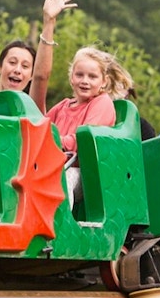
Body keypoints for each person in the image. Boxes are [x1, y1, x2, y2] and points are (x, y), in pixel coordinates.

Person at [39, 47, 129, 207]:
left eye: (92, 76)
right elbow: (40, 128)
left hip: (84, 171)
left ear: (104, 81)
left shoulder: (101, 103)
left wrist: (54, 140)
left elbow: (84, 138)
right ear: (71, 77)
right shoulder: (63, 106)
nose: (85, 81)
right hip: (55, 166)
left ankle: (63, 225)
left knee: (63, 182)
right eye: (79, 75)